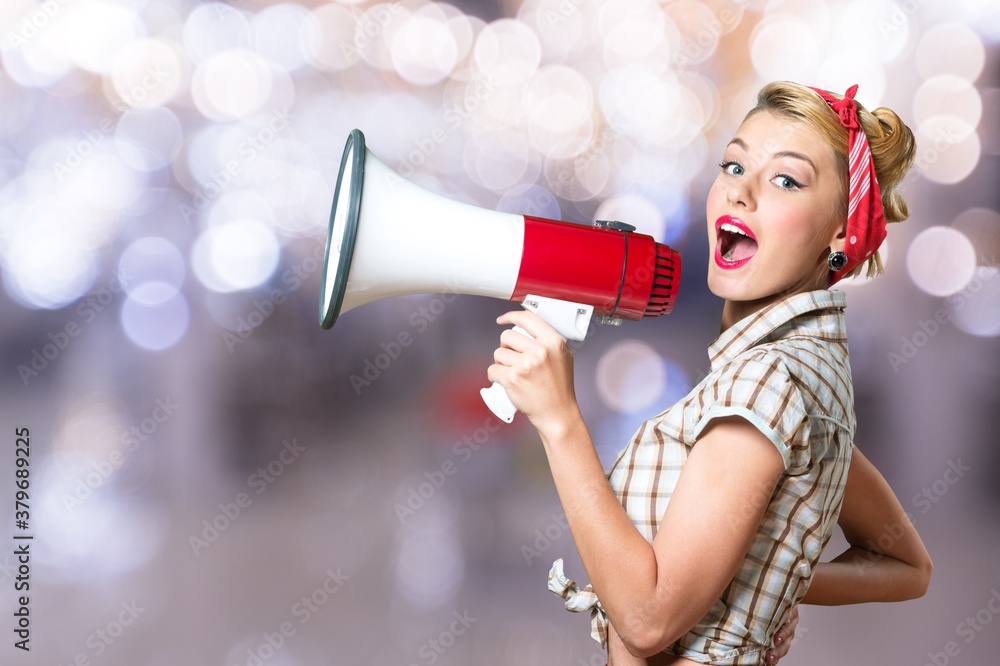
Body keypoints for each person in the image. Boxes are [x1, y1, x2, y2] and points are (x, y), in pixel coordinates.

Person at [486, 81, 934, 665]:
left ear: (840, 234)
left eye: (786, 180)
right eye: (733, 164)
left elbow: (648, 621)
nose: (739, 192)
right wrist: (762, 587)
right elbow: (906, 565)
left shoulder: (765, 384)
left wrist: (559, 421)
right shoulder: (806, 376)